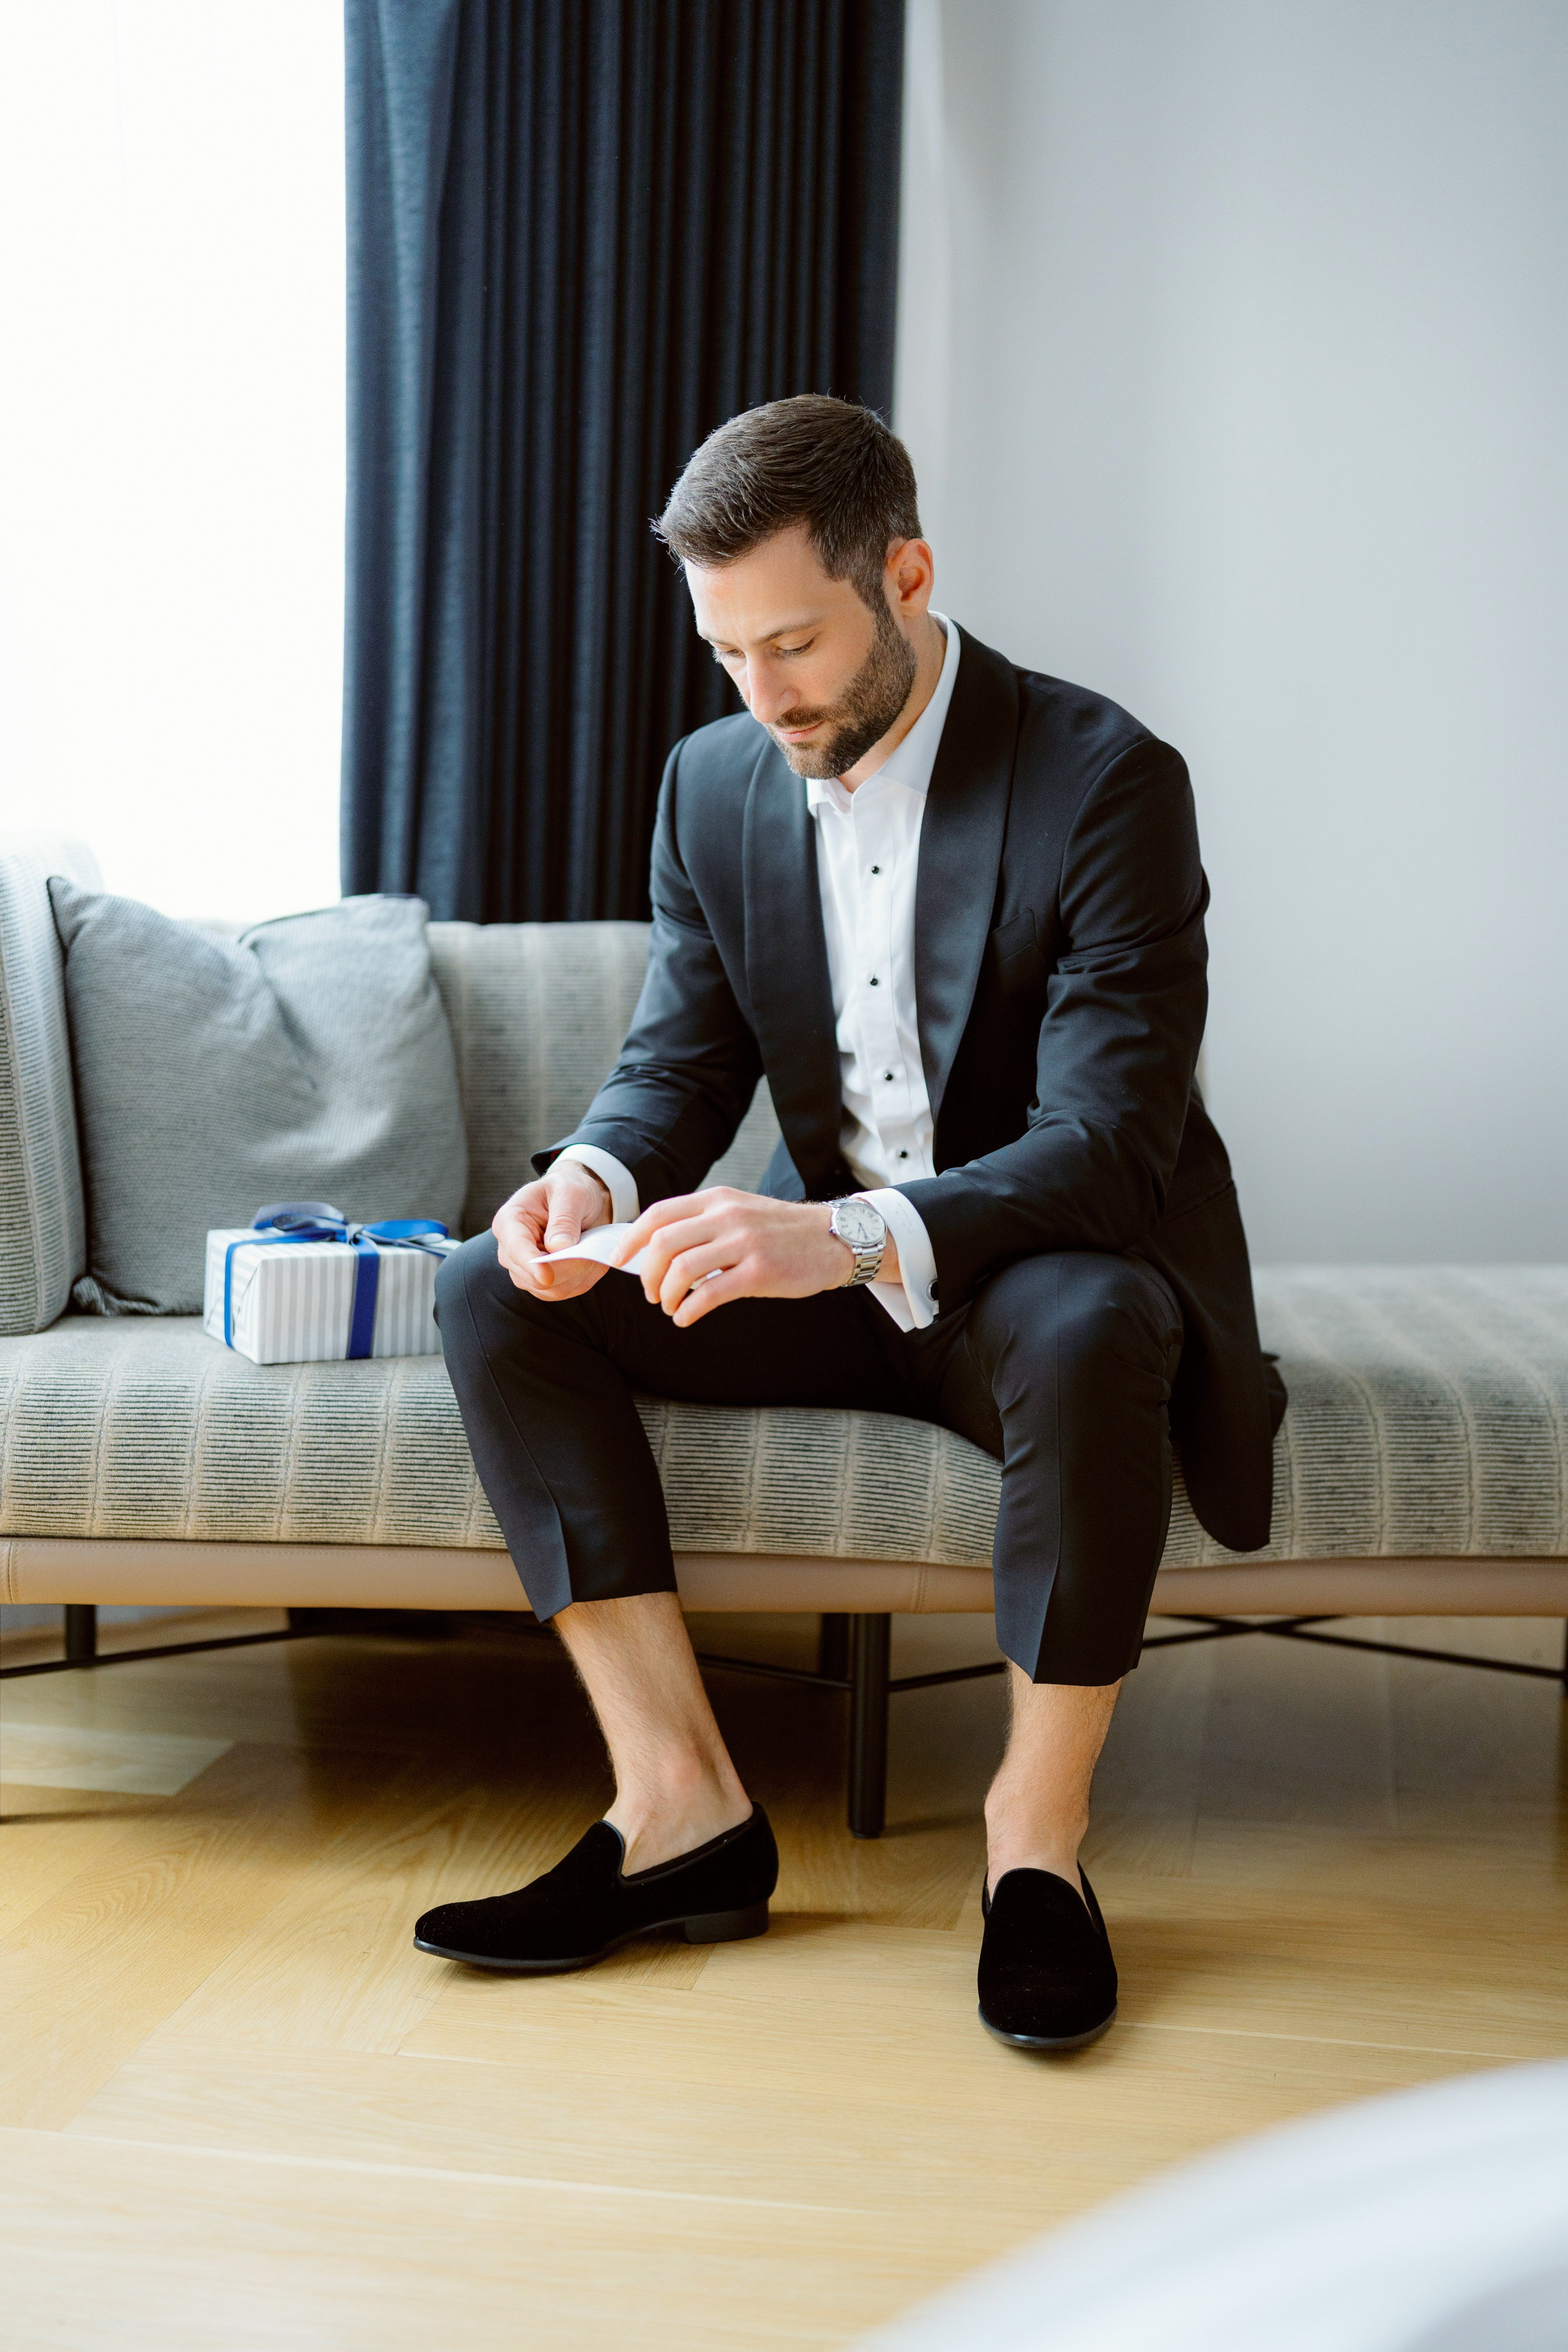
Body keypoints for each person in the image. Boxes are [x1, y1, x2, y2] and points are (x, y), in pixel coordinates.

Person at [414, 395, 1284, 2051]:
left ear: (907, 573)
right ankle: (679, 1807)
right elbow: (678, 1062)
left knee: (1103, 1317)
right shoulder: (717, 784)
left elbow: (1111, 1146)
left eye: (795, 643)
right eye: (726, 652)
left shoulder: (1106, 779)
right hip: (848, 1276)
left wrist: (846, 1234)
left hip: (1041, 1270)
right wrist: (590, 1181)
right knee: (492, 1292)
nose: (763, 695)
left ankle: (1036, 1850)